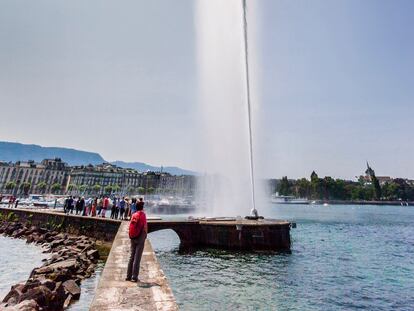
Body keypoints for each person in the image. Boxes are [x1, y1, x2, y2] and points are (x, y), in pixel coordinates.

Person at [126, 199, 147, 282]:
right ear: (142, 208)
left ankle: (128, 276)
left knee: (132, 256)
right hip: (140, 236)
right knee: (137, 257)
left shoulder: (134, 214)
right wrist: (145, 235)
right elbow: (145, 226)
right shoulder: (143, 215)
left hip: (133, 236)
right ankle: (134, 277)